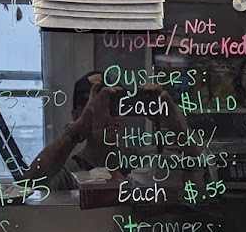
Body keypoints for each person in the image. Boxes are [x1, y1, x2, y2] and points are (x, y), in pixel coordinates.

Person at [24, 71, 194, 191]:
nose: (110, 115)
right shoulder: (71, 171)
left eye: (116, 104)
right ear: (77, 115)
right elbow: (29, 186)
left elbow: (203, 170)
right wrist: (77, 129)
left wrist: (178, 126)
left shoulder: (143, 162)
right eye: (99, 106)